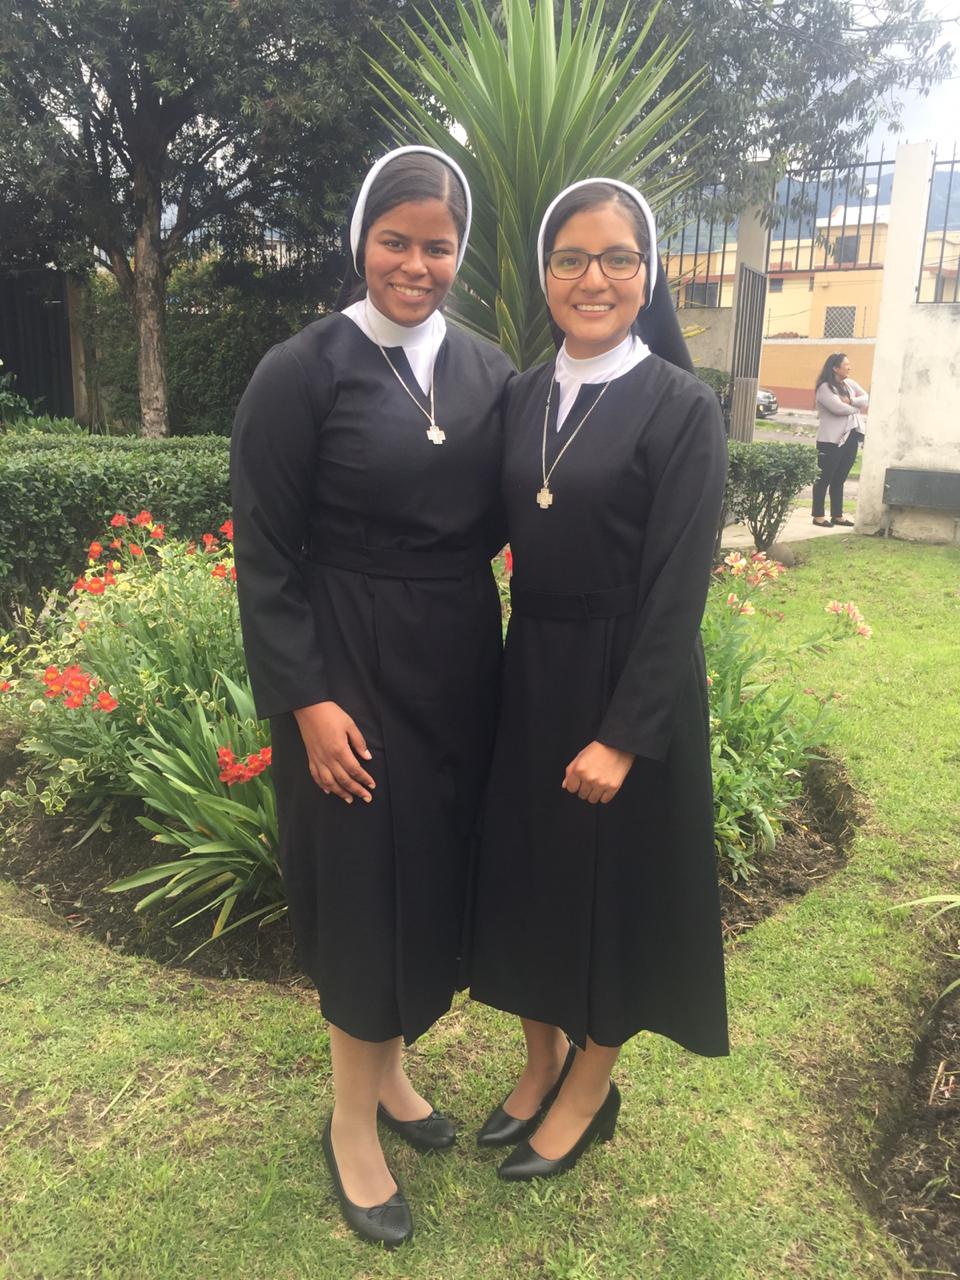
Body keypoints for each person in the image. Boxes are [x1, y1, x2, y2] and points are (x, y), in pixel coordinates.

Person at [230, 145, 513, 1247]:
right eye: (395, 240)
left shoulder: (489, 371)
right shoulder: (301, 370)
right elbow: (265, 554)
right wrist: (306, 700)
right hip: (343, 663)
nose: (415, 264)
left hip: (456, 662)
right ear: (362, 240)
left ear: (460, 251)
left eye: (438, 245)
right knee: (361, 888)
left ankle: (391, 1077)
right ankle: (351, 1120)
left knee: (428, 876)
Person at [468, 178, 730, 1182]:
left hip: (627, 670)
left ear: (648, 274)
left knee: (611, 887)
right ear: (546, 276)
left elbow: (678, 590)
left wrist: (623, 735)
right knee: (528, 872)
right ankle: (540, 1062)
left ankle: (589, 1087)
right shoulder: (522, 394)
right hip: (534, 660)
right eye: (572, 258)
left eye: (619, 258)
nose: (595, 278)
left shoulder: (680, 405)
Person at [812, 352, 868, 527]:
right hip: (830, 440)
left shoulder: (849, 384)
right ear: (835, 368)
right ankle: (818, 516)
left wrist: (850, 401)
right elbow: (838, 409)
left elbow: (866, 398)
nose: (849, 368)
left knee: (840, 478)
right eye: (846, 365)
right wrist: (855, 408)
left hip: (850, 437)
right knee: (824, 478)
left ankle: (837, 515)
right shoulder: (825, 387)